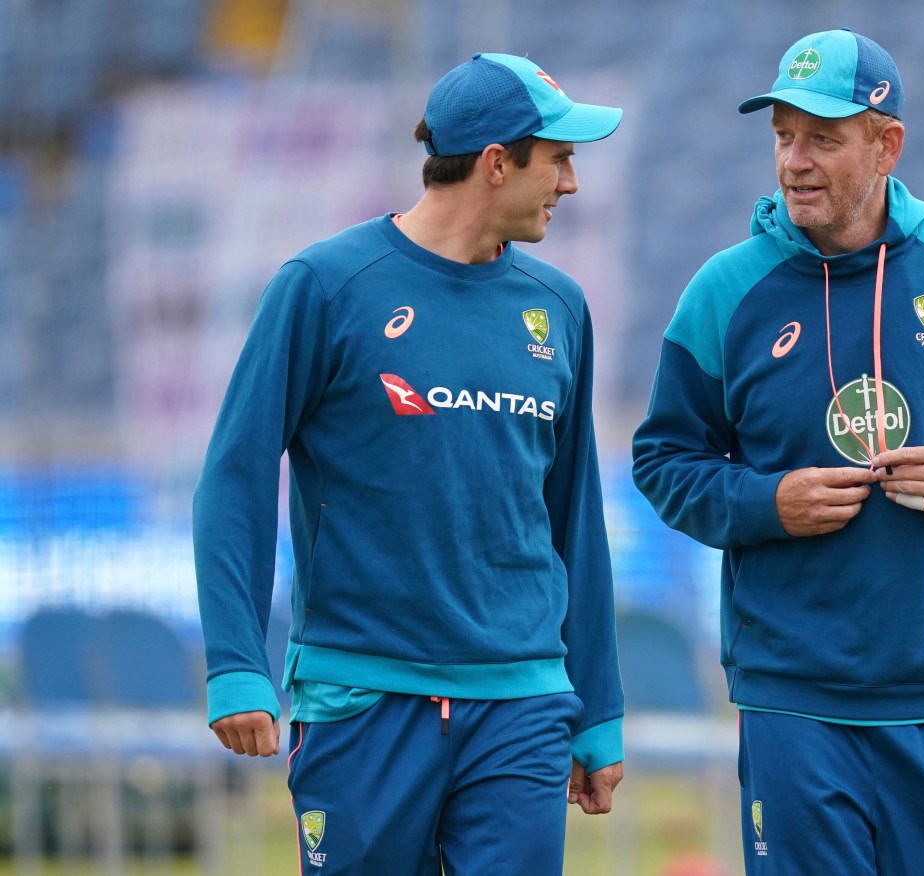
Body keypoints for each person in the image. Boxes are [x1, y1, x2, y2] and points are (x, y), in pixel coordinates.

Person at [632, 28, 924, 875]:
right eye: (781, 136)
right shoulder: (724, 292)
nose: (793, 162)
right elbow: (664, 460)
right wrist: (763, 504)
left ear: (886, 145)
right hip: (793, 702)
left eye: (822, 138)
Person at [194, 51, 625, 874]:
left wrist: (596, 707)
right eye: (559, 159)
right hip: (362, 697)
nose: (570, 184)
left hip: (522, 702)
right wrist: (236, 662)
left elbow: (574, 516)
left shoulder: (559, 307)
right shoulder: (325, 285)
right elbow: (236, 477)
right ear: (496, 163)